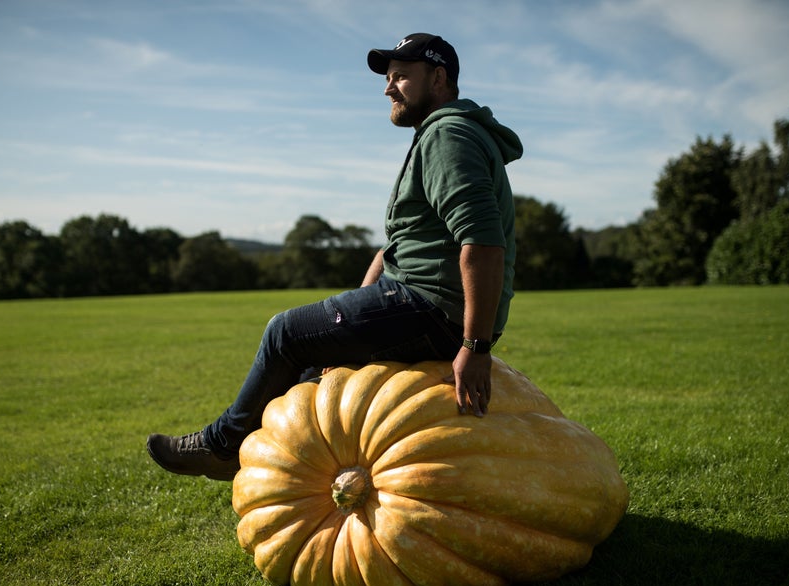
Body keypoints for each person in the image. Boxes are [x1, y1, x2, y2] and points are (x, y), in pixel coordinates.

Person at [147, 33, 523, 481]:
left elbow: (481, 242)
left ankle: (223, 446)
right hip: (419, 303)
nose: (388, 88)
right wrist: (352, 323)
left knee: (284, 332)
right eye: (388, 78)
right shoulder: (440, 135)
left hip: (434, 310)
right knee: (310, 366)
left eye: (401, 77)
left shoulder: (448, 135)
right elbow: (396, 247)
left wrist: (475, 347)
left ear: (439, 78)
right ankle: (293, 473)